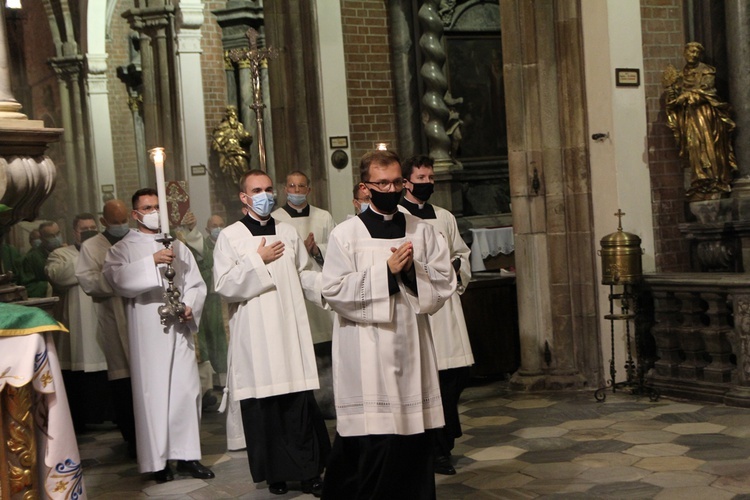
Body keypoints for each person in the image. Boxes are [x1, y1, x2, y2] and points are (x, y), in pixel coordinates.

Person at [320, 150, 456, 499]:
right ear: (366, 187)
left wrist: (412, 271)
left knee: (413, 438)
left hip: (411, 345)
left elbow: (444, 282)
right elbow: (333, 290)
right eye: (382, 183)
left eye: (396, 181)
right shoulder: (346, 234)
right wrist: (385, 273)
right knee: (374, 440)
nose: (391, 188)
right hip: (366, 349)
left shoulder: (421, 231)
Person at [213, 169, 330, 496]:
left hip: (289, 331)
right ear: (244, 197)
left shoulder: (288, 233)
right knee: (265, 410)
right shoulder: (230, 237)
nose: (264, 196)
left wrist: (332, 288)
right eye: (256, 190)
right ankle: (275, 475)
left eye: (267, 189)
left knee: (297, 405)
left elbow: (305, 273)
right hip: (256, 336)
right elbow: (224, 286)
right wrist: (257, 259)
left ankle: (309, 474)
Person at [103, 188, 213, 483]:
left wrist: (190, 305)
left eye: (156, 208)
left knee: (185, 390)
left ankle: (189, 455)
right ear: (135, 214)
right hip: (148, 329)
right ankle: (159, 461)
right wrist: (150, 262)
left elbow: (196, 282)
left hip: (179, 328)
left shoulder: (178, 245)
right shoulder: (123, 248)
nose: (153, 213)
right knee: (153, 394)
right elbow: (116, 279)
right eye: (147, 208)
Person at [399, 155, 474, 475]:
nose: (428, 183)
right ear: (406, 182)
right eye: (421, 178)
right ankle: (435, 449)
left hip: (447, 311)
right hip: (419, 310)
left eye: (430, 178)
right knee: (426, 384)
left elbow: (461, 253)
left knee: (453, 377)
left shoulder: (443, 216)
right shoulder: (398, 217)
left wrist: (457, 268)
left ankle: (444, 440)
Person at [272, 171, 336, 416]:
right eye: (292, 186)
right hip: (293, 292)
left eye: (301, 187)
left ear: (308, 190)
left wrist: (317, 249)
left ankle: (328, 403)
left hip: (320, 290)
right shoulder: (276, 219)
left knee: (324, 347)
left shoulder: (324, 216)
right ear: (284, 189)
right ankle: (306, 406)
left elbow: (338, 251)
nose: (296, 191)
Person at [75, 199, 136, 455]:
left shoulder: (137, 240)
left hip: (138, 313)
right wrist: (121, 279)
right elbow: (88, 281)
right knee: (122, 378)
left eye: (124, 221)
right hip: (113, 316)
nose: (120, 226)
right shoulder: (91, 246)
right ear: (104, 222)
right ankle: (131, 437)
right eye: (115, 222)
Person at [45, 213, 109, 432]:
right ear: (75, 232)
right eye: (84, 229)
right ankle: (81, 419)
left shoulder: (107, 251)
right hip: (77, 327)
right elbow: (58, 276)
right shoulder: (60, 254)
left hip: (103, 319)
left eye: (93, 228)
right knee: (79, 369)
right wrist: (87, 251)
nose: (89, 231)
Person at [664, 41, 737, 201]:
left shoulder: (707, 71)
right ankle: (699, 180)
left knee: (708, 145)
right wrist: (672, 95)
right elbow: (673, 99)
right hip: (688, 117)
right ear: (684, 53)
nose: (694, 55)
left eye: (697, 52)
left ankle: (714, 179)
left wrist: (687, 96)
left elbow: (707, 91)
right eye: (691, 52)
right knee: (693, 147)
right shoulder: (680, 76)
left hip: (704, 115)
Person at [211, 105, 253, 187]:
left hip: (240, 152)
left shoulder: (240, 126)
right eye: (231, 114)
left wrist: (246, 136)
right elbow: (216, 143)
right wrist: (220, 148)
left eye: (234, 114)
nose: (233, 117)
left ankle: (245, 188)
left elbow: (245, 138)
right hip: (228, 154)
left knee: (244, 170)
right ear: (227, 115)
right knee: (231, 175)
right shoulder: (222, 127)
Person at [21, 221, 60, 297]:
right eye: (51, 236)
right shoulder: (31, 258)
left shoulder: (66, 251)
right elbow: (28, 287)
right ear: (42, 238)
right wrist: (48, 286)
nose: (56, 238)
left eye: (58, 234)